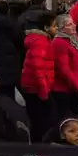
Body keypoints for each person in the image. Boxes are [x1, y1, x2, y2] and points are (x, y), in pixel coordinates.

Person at [20, 10, 57, 141]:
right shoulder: (41, 42)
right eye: (54, 26)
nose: (56, 28)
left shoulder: (40, 41)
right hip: (37, 88)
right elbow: (38, 68)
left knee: (38, 120)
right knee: (42, 121)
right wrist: (44, 91)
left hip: (34, 87)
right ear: (46, 28)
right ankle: (39, 151)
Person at [50, 13, 78, 123]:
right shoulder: (59, 43)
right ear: (61, 28)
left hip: (70, 88)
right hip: (63, 89)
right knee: (67, 120)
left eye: (73, 23)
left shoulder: (70, 40)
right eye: (69, 24)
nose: (73, 26)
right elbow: (64, 69)